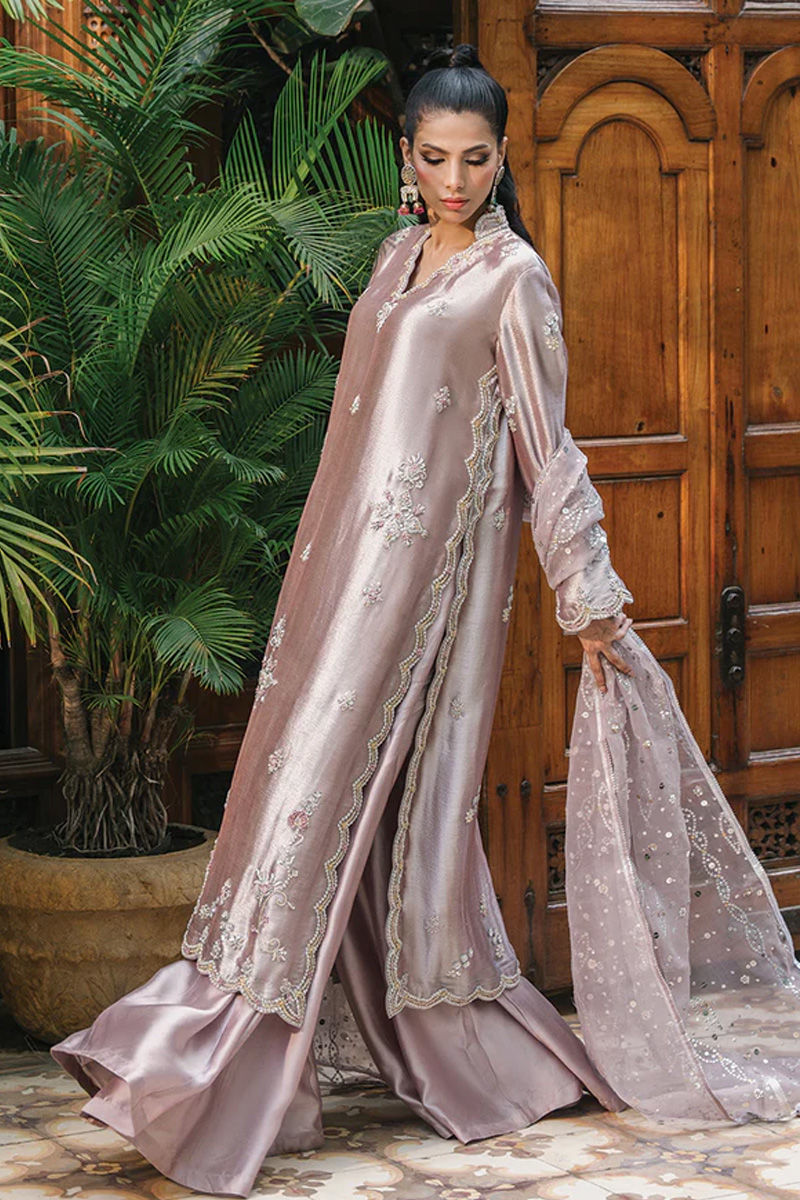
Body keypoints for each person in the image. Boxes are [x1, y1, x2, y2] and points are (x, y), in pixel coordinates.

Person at [51, 43, 800, 1198]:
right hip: (334, 584)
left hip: (421, 600)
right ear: (405, 156)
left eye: (475, 160)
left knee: (318, 805)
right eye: (435, 158)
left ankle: (213, 1074)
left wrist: (589, 598)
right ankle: (257, 1061)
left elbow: (547, 451)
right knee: (292, 803)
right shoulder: (395, 256)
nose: (454, 181)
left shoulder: (513, 279)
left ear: (503, 160)